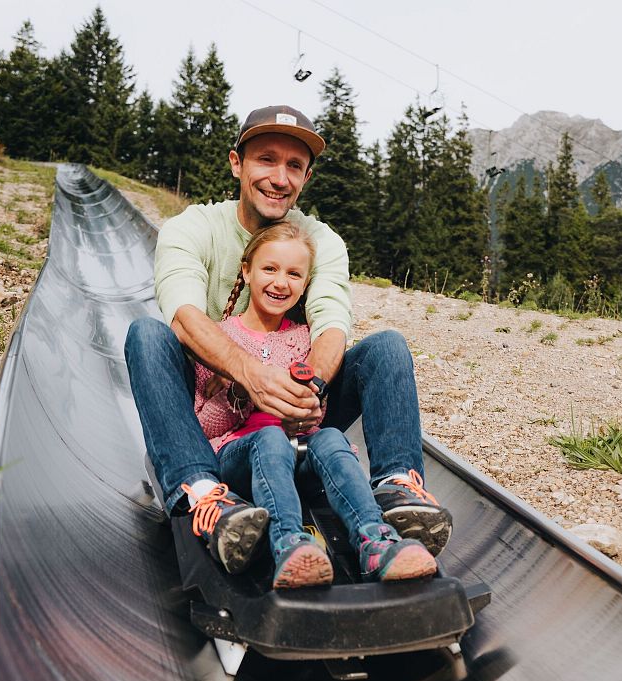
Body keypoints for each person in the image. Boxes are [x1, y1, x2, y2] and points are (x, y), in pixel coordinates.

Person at [124, 104, 452, 576]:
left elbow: (331, 323)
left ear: (306, 177)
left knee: (386, 349)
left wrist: (307, 390)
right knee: (146, 336)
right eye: (266, 160)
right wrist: (250, 375)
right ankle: (201, 491)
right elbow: (183, 314)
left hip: (300, 418)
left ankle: (399, 487)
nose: (279, 177)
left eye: (293, 166)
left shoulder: (320, 241)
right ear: (237, 163)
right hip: (213, 416)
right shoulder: (193, 229)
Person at [192, 220, 438, 588]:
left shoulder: (303, 338)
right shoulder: (221, 338)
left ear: (305, 284)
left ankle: (376, 540)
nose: (280, 282)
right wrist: (237, 392)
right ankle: (288, 542)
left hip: (297, 456)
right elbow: (205, 425)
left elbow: (316, 417)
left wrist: (303, 410)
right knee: (270, 440)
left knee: (331, 438)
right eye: (270, 269)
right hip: (239, 458)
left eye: (294, 274)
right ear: (247, 270)